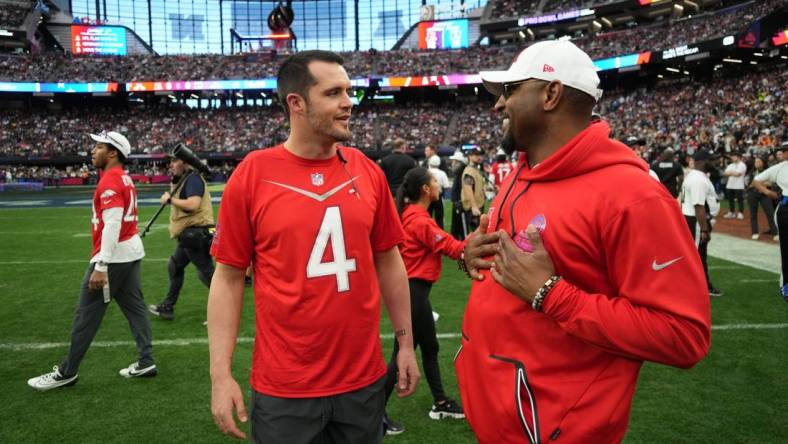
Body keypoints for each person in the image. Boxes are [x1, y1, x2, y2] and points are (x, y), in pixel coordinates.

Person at [456, 40, 711, 442]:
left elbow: (684, 336)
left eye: (510, 91)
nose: (498, 106)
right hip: (501, 414)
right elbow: (511, 267)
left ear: (550, 93)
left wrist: (550, 293)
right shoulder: (522, 170)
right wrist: (470, 254)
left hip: (556, 428)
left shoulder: (632, 195)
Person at [206, 50, 420, 443]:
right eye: (333, 93)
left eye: (349, 91)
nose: (348, 103)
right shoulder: (253, 174)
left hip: (363, 382)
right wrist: (220, 375)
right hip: (285, 388)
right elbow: (229, 277)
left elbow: (389, 261)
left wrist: (405, 345)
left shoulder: (368, 172)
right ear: (297, 104)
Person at [28, 131, 155, 391]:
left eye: (98, 146)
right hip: (129, 252)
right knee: (136, 308)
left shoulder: (110, 181)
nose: (92, 151)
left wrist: (101, 265)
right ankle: (146, 360)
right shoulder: (123, 178)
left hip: (114, 257)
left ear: (112, 153)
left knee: (86, 315)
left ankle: (67, 372)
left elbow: (112, 224)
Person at [383, 167, 466, 435]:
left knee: (429, 347)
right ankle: (373, 414)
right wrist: (484, 244)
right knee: (401, 356)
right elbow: (453, 248)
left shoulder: (413, 216)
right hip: (414, 293)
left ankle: (440, 402)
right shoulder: (419, 221)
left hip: (414, 293)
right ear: (425, 190)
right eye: (434, 180)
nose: (439, 183)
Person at [148, 153, 215, 321]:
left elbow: (193, 204)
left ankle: (224, 310)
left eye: (174, 161)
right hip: (189, 235)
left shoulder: (193, 179)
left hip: (196, 234)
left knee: (207, 274)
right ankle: (167, 307)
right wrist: (173, 185)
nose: (170, 164)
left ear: (185, 163)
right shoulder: (184, 179)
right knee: (175, 266)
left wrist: (171, 200)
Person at [682, 150, 723, 297]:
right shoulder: (698, 179)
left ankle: (698, 285)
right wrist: (704, 229)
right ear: (703, 161)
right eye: (711, 160)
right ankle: (702, 287)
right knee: (698, 255)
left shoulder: (696, 176)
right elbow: (698, 206)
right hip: (697, 221)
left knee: (698, 254)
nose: (714, 163)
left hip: (695, 219)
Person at [751, 143, 788, 301]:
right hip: (786, 208)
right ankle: (785, 286)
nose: (782, 153)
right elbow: (756, 180)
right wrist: (768, 192)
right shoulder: (780, 167)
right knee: (786, 249)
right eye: (783, 151)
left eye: (783, 151)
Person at [746, 156, 778, 241]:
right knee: (753, 214)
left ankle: (775, 233)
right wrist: (760, 184)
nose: (757, 163)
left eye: (759, 161)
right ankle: (755, 232)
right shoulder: (751, 172)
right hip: (752, 194)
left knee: (770, 213)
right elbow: (748, 185)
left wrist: (758, 184)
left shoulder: (768, 172)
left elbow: (771, 183)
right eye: (756, 162)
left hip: (764, 194)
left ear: (763, 162)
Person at [460, 146, 487, 236]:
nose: (479, 157)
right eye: (476, 155)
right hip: (473, 208)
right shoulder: (469, 171)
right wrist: (473, 206)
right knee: (475, 235)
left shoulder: (475, 169)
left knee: (480, 233)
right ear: (470, 156)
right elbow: (468, 188)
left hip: (478, 205)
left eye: (480, 155)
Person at [448, 150, 468, 240]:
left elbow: (464, 189)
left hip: (460, 203)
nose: (452, 163)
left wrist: (461, 201)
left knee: (462, 225)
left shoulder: (462, 173)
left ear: (459, 163)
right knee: (456, 224)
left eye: (455, 161)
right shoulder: (458, 173)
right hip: (457, 202)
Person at [427, 155, 449, 229]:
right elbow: (447, 186)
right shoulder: (442, 173)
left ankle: (428, 230)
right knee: (439, 217)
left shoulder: (426, 172)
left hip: (428, 196)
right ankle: (439, 233)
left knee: (427, 216)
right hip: (438, 196)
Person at [723, 151, 747, 219]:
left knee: (740, 200)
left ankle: (740, 213)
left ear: (738, 157)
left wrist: (730, 172)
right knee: (730, 200)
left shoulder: (742, 165)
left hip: (739, 186)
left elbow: (738, 174)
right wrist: (733, 173)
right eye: (732, 156)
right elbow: (725, 173)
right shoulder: (731, 165)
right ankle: (731, 212)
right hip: (730, 185)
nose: (732, 158)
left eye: (734, 156)